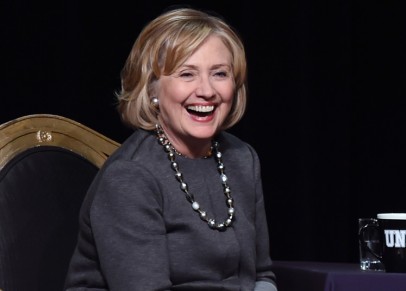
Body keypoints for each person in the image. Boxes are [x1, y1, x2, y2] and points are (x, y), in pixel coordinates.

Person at [64, 7, 277, 291]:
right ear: (152, 89)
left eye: (220, 73)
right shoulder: (131, 176)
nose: (207, 90)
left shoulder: (242, 159)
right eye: (187, 74)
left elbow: (261, 274)